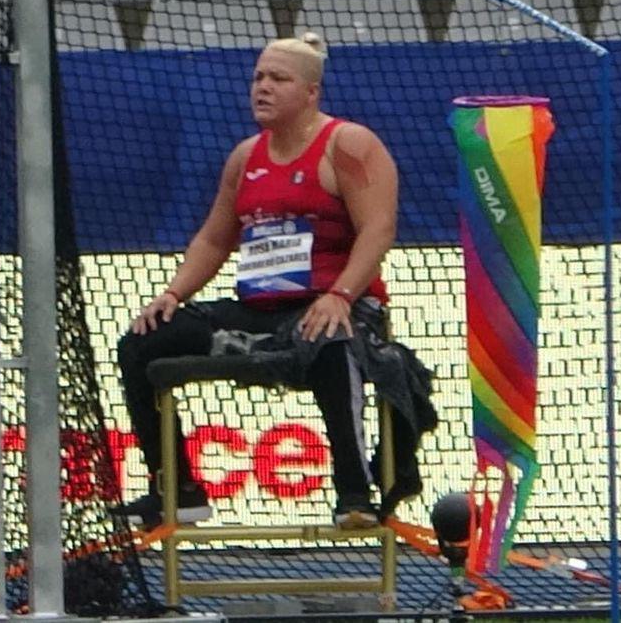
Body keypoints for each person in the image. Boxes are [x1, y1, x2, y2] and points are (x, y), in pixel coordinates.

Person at [116, 32, 428, 530]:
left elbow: (379, 229)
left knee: (331, 335)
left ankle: (354, 491)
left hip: (336, 305)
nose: (262, 87)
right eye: (258, 77)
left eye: (278, 79)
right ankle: (177, 488)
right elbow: (215, 241)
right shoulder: (245, 157)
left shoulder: (347, 145)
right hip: (260, 311)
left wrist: (340, 294)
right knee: (140, 343)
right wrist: (173, 294)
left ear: (311, 92)